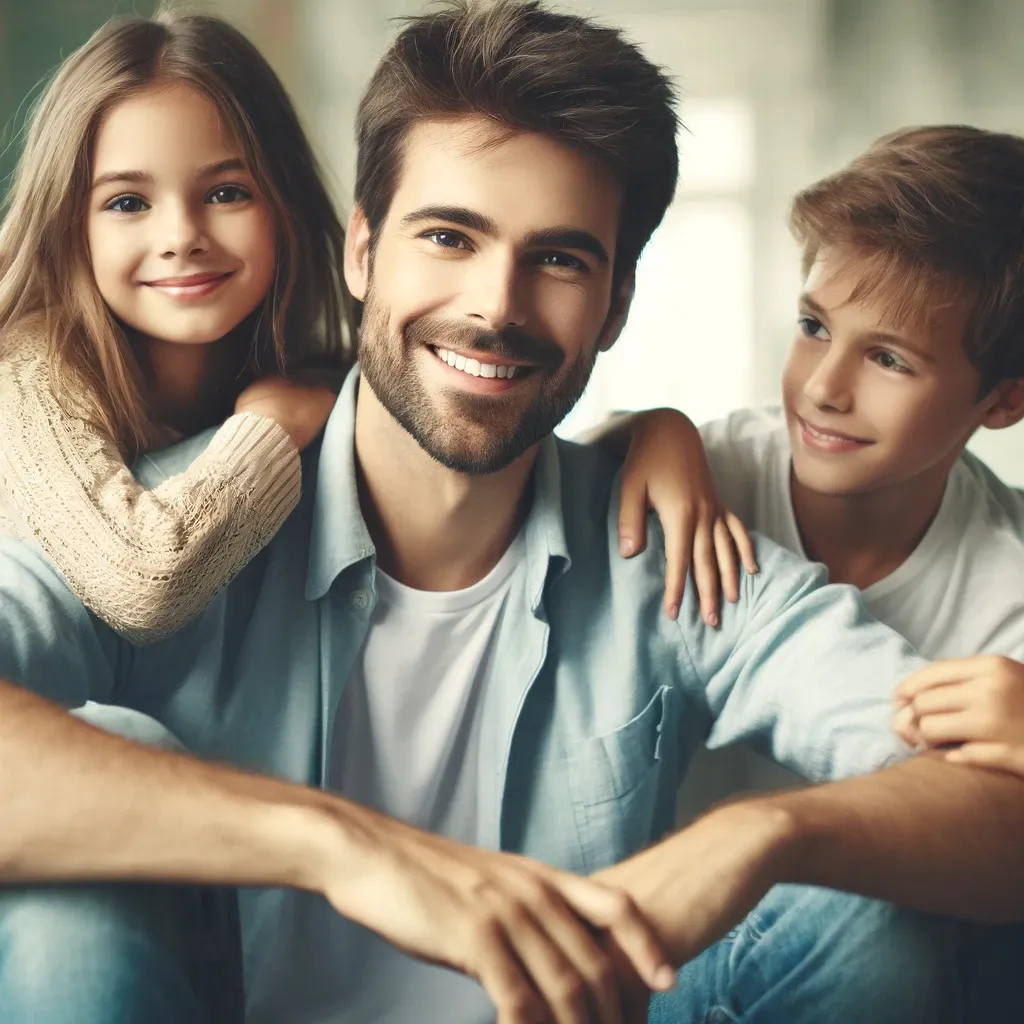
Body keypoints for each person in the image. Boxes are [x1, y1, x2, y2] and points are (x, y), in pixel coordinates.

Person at [1, 6, 1023, 1024]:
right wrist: (337, 843)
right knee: (67, 907)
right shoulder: (179, 521)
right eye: (449, 236)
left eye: (560, 260)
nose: (496, 305)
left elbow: (994, 802)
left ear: (616, 303)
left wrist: (765, 835)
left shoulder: (673, 551)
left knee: (872, 910)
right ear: (363, 249)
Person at [596, 123, 1024, 1017]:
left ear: (1003, 399)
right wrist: (648, 426)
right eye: (813, 327)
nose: (826, 386)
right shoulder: (700, 472)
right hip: (639, 960)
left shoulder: (1009, 583)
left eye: (889, 358)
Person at [0, 7, 353, 644]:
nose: (181, 238)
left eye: (225, 193)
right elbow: (144, 582)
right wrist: (270, 427)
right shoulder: (26, 372)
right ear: (70, 226)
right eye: (127, 203)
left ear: (284, 201)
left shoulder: (305, 365)